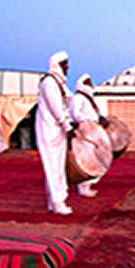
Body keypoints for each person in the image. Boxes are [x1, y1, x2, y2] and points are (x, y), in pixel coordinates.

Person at [36, 51, 76, 215]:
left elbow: (67, 102)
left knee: (57, 167)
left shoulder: (58, 83)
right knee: (52, 166)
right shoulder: (49, 82)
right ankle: (58, 202)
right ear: (56, 65)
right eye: (64, 64)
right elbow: (56, 108)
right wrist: (67, 126)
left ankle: (54, 201)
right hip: (49, 130)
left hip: (57, 130)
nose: (67, 67)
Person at [70, 73, 109, 197]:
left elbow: (96, 114)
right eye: (88, 83)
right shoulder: (78, 98)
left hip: (94, 131)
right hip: (86, 132)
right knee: (87, 159)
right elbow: (75, 114)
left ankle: (88, 185)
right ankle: (83, 187)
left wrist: (102, 118)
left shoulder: (90, 99)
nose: (90, 85)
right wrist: (88, 122)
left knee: (97, 159)